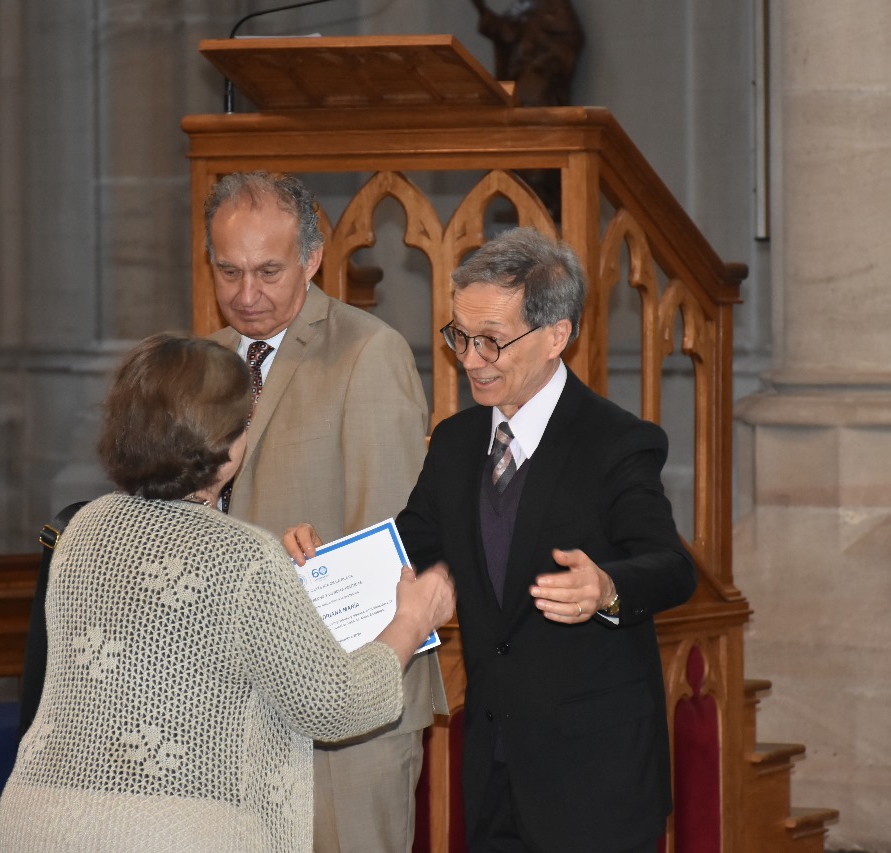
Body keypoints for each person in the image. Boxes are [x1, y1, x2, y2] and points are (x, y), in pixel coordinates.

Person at [286, 228, 697, 852]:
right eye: (460, 337)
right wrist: (320, 560)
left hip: (595, 778)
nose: (470, 359)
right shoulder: (455, 443)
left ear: (557, 335)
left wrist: (608, 588)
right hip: (492, 765)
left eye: (491, 341)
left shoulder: (615, 442)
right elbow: (408, 550)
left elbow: (671, 566)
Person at [0, 333, 453, 852]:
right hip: (171, 834)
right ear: (228, 444)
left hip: (45, 820)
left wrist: (276, 573)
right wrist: (412, 621)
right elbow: (334, 706)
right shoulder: (243, 558)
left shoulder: (85, 528)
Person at [203, 171, 444, 852]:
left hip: (348, 714)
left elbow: (387, 549)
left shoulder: (367, 353)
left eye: (268, 271)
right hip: (234, 704)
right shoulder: (206, 363)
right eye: (229, 271)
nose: (246, 294)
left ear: (310, 260)